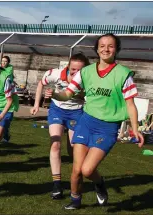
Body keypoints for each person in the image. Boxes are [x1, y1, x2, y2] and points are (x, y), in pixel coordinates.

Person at [46, 33, 144, 210]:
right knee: (76, 169)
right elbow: (67, 93)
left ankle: (99, 182)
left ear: (117, 49)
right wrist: (53, 94)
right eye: (102, 46)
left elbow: (130, 104)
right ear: (97, 49)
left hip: (107, 128)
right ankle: (76, 201)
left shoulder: (123, 74)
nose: (106, 49)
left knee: (87, 170)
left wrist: (135, 129)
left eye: (110, 46)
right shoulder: (85, 72)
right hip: (86, 122)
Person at [30, 53, 90, 200]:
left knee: (74, 150)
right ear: (68, 66)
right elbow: (41, 84)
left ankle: (76, 180)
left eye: (79, 70)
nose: (76, 73)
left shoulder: (88, 80)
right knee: (55, 144)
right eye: (73, 69)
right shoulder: (55, 74)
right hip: (57, 110)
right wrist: (36, 104)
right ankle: (57, 185)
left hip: (77, 112)